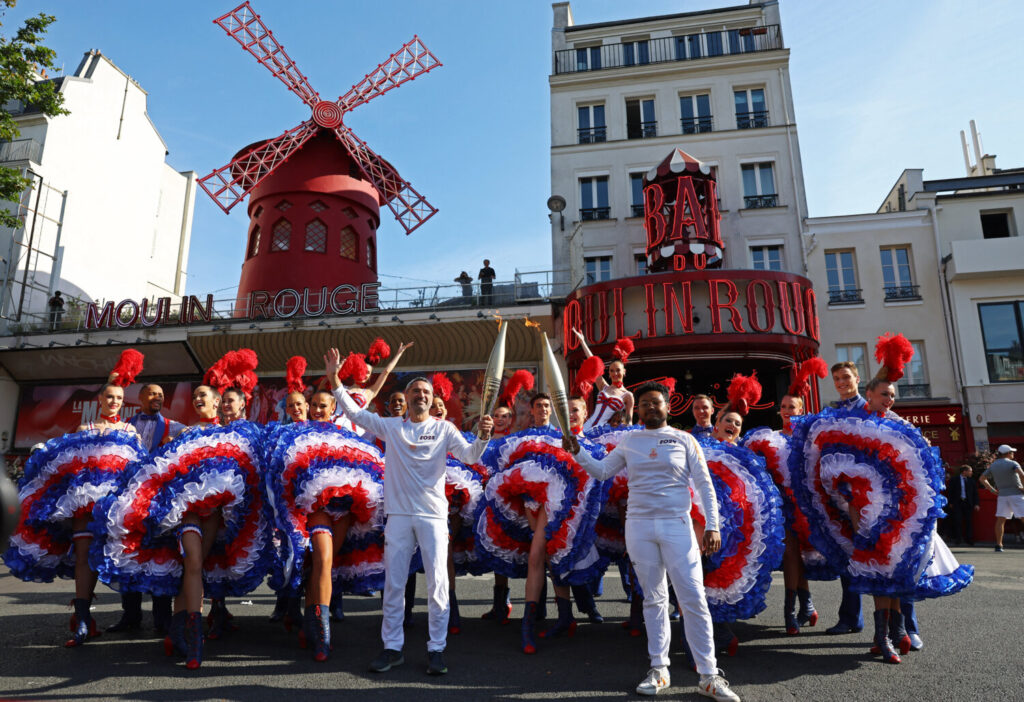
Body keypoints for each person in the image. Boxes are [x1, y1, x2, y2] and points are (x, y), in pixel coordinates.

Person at [564, 382, 740, 700]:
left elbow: (704, 485)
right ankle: (659, 669)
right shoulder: (630, 441)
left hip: (678, 526)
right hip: (640, 527)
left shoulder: (684, 440)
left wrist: (712, 526)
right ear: (639, 409)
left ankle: (709, 675)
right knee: (654, 599)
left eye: (655, 402)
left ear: (667, 406)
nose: (649, 407)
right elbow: (602, 471)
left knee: (693, 599)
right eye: (643, 404)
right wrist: (576, 451)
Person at [325, 348, 493, 676]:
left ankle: (437, 649)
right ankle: (392, 648)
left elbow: (471, 456)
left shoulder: (444, 430)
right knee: (395, 585)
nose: (420, 395)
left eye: (426, 392)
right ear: (407, 397)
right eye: (415, 390)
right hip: (399, 517)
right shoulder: (392, 427)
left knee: (438, 583)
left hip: (432, 516)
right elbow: (355, 413)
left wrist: (484, 437)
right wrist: (334, 379)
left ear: (432, 400)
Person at [111, 383, 185, 635]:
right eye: (153, 393)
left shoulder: (174, 426)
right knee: (127, 553)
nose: (158, 398)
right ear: (140, 397)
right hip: (128, 499)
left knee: (160, 554)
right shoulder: (124, 426)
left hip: (158, 499)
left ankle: (162, 618)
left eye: (161, 395)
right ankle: (130, 616)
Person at [825, 360, 866, 636]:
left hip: (870, 494)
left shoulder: (871, 407)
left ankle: (904, 627)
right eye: (837, 378)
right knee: (849, 557)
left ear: (857, 378)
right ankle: (851, 617)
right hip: (841, 496)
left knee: (889, 557)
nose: (842, 382)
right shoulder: (832, 412)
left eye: (846, 377)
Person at [571, 330, 635, 430]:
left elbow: (628, 421)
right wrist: (583, 342)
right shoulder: (603, 387)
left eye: (618, 370)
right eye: (612, 371)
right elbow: (593, 362)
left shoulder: (628, 395)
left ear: (624, 372)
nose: (615, 373)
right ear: (609, 373)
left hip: (605, 433)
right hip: (587, 427)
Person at [979, 445, 1024, 552]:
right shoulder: (1013, 463)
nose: (1013, 454)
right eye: (1012, 452)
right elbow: (1022, 475)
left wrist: (992, 490)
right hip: (1016, 494)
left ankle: (999, 545)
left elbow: (982, 478)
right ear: (1008, 453)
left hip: (1002, 495)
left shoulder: (993, 465)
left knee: (1001, 520)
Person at [946, 465, 980, 546]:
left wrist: (976, 504)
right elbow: (950, 491)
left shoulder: (972, 481)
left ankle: (969, 539)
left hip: (968, 503)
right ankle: (958, 539)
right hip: (957, 503)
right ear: (964, 471)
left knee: (968, 522)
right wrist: (950, 502)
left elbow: (975, 493)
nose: (971, 472)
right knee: (957, 521)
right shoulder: (954, 480)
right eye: (970, 471)